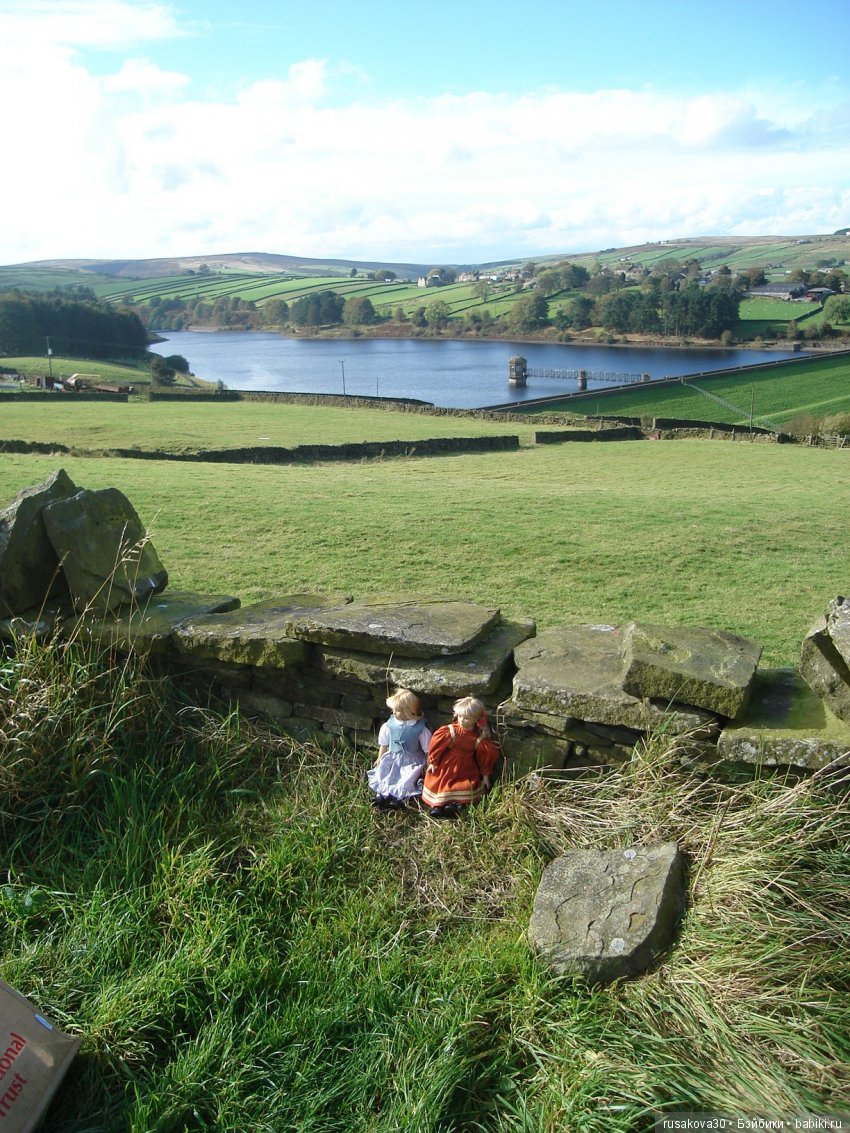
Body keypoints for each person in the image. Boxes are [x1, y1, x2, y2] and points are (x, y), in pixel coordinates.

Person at [421, 696, 500, 818]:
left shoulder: (478, 738)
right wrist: (432, 762)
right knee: (441, 783)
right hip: (447, 766)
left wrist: (485, 776)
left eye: (467, 718)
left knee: (464, 785)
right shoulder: (450, 731)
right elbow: (437, 747)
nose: (462, 720)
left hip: (466, 768)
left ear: (477, 719)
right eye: (460, 716)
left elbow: (484, 757)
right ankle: (437, 806)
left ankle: (454, 806)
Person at [368, 688, 432, 809]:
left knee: (406, 778)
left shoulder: (420, 728)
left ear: (408, 711)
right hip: (392, 756)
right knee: (384, 774)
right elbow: (384, 744)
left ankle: (400, 799)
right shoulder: (389, 725)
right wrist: (380, 757)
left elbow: (427, 749)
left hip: (411, 760)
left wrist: (428, 763)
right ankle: (381, 795)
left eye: (397, 710)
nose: (393, 712)